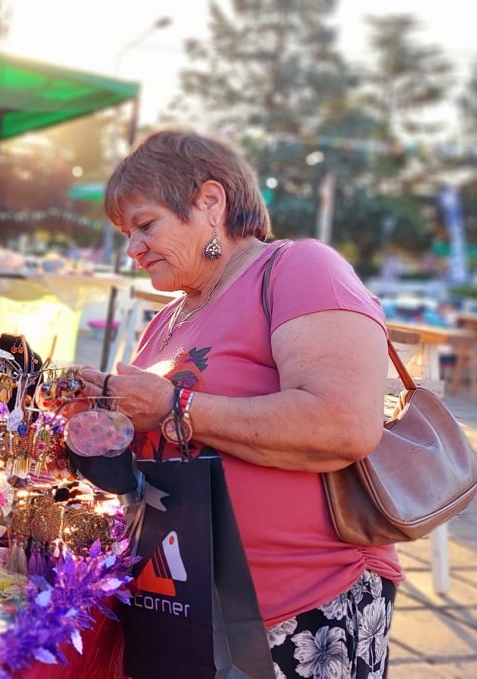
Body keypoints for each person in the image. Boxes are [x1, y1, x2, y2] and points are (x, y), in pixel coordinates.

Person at [76, 131, 399, 678]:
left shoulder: (299, 267)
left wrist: (175, 406)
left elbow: (344, 423)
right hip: (185, 604)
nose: (133, 248)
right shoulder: (168, 319)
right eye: (127, 233)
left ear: (209, 202)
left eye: (146, 225)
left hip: (301, 610)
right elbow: (163, 451)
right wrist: (102, 423)